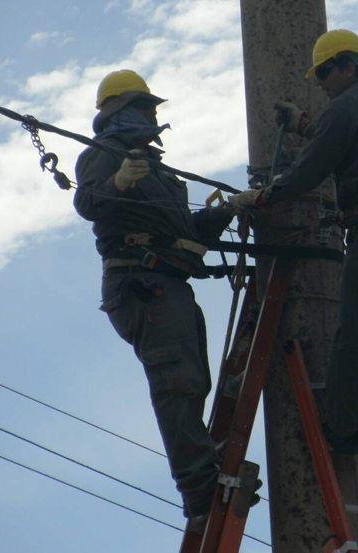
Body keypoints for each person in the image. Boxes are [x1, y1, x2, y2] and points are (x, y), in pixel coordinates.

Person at [229, 30, 358, 456]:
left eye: (323, 73)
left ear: (344, 65)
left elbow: (309, 172)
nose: (320, 83)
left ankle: (343, 427)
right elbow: (348, 137)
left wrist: (264, 196)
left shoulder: (345, 109)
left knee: (356, 330)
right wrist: (305, 125)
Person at [73, 69, 234, 521]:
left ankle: (202, 464)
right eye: (145, 108)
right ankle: (199, 489)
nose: (153, 116)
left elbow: (185, 234)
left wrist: (227, 214)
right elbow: (88, 203)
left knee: (193, 380)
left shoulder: (157, 171)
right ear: (121, 110)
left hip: (168, 285)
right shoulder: (105, 155)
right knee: (177, 384)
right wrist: (119, 182)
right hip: (141, 286)